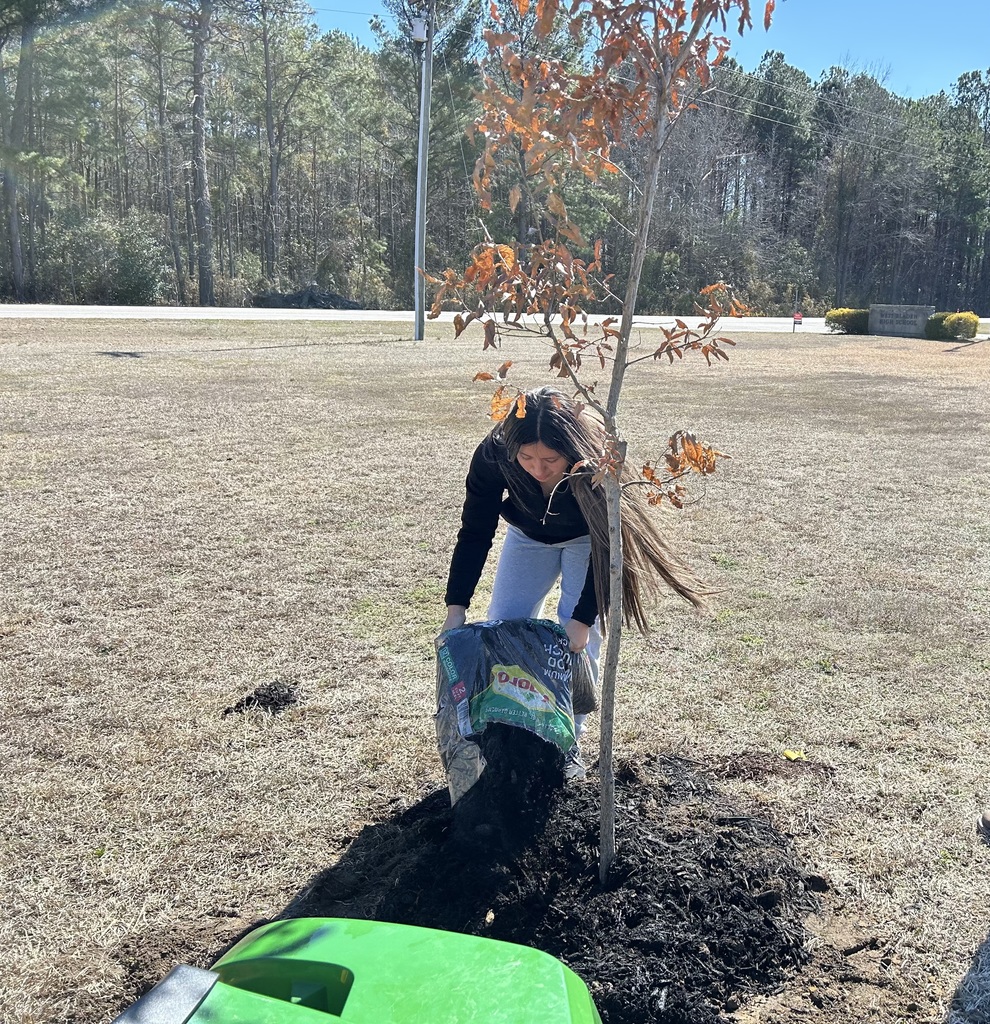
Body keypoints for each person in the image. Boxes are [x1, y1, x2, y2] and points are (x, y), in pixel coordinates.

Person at [440, 385, 707, 781]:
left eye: (550, 459)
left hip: (589, 539)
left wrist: (582, 618)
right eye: (527, 457)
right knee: (503, 624)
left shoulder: (598, 461)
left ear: (572, 447)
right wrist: (456, 604)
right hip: (528, 536)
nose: (538, 468)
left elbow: (611, 544)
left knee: (578, 641)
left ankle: (569, 748)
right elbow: (475, 528)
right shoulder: (494, 452)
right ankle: (512, 736)